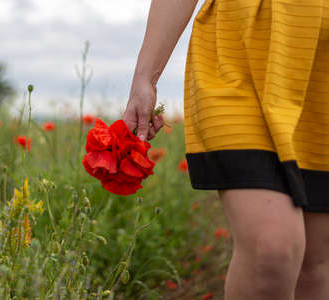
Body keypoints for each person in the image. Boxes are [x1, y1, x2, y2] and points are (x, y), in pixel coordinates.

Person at [123, 0, 329, 299]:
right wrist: (145, 76)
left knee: (313, 268)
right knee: (271, 250)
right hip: (237, 52)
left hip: (318, 64)